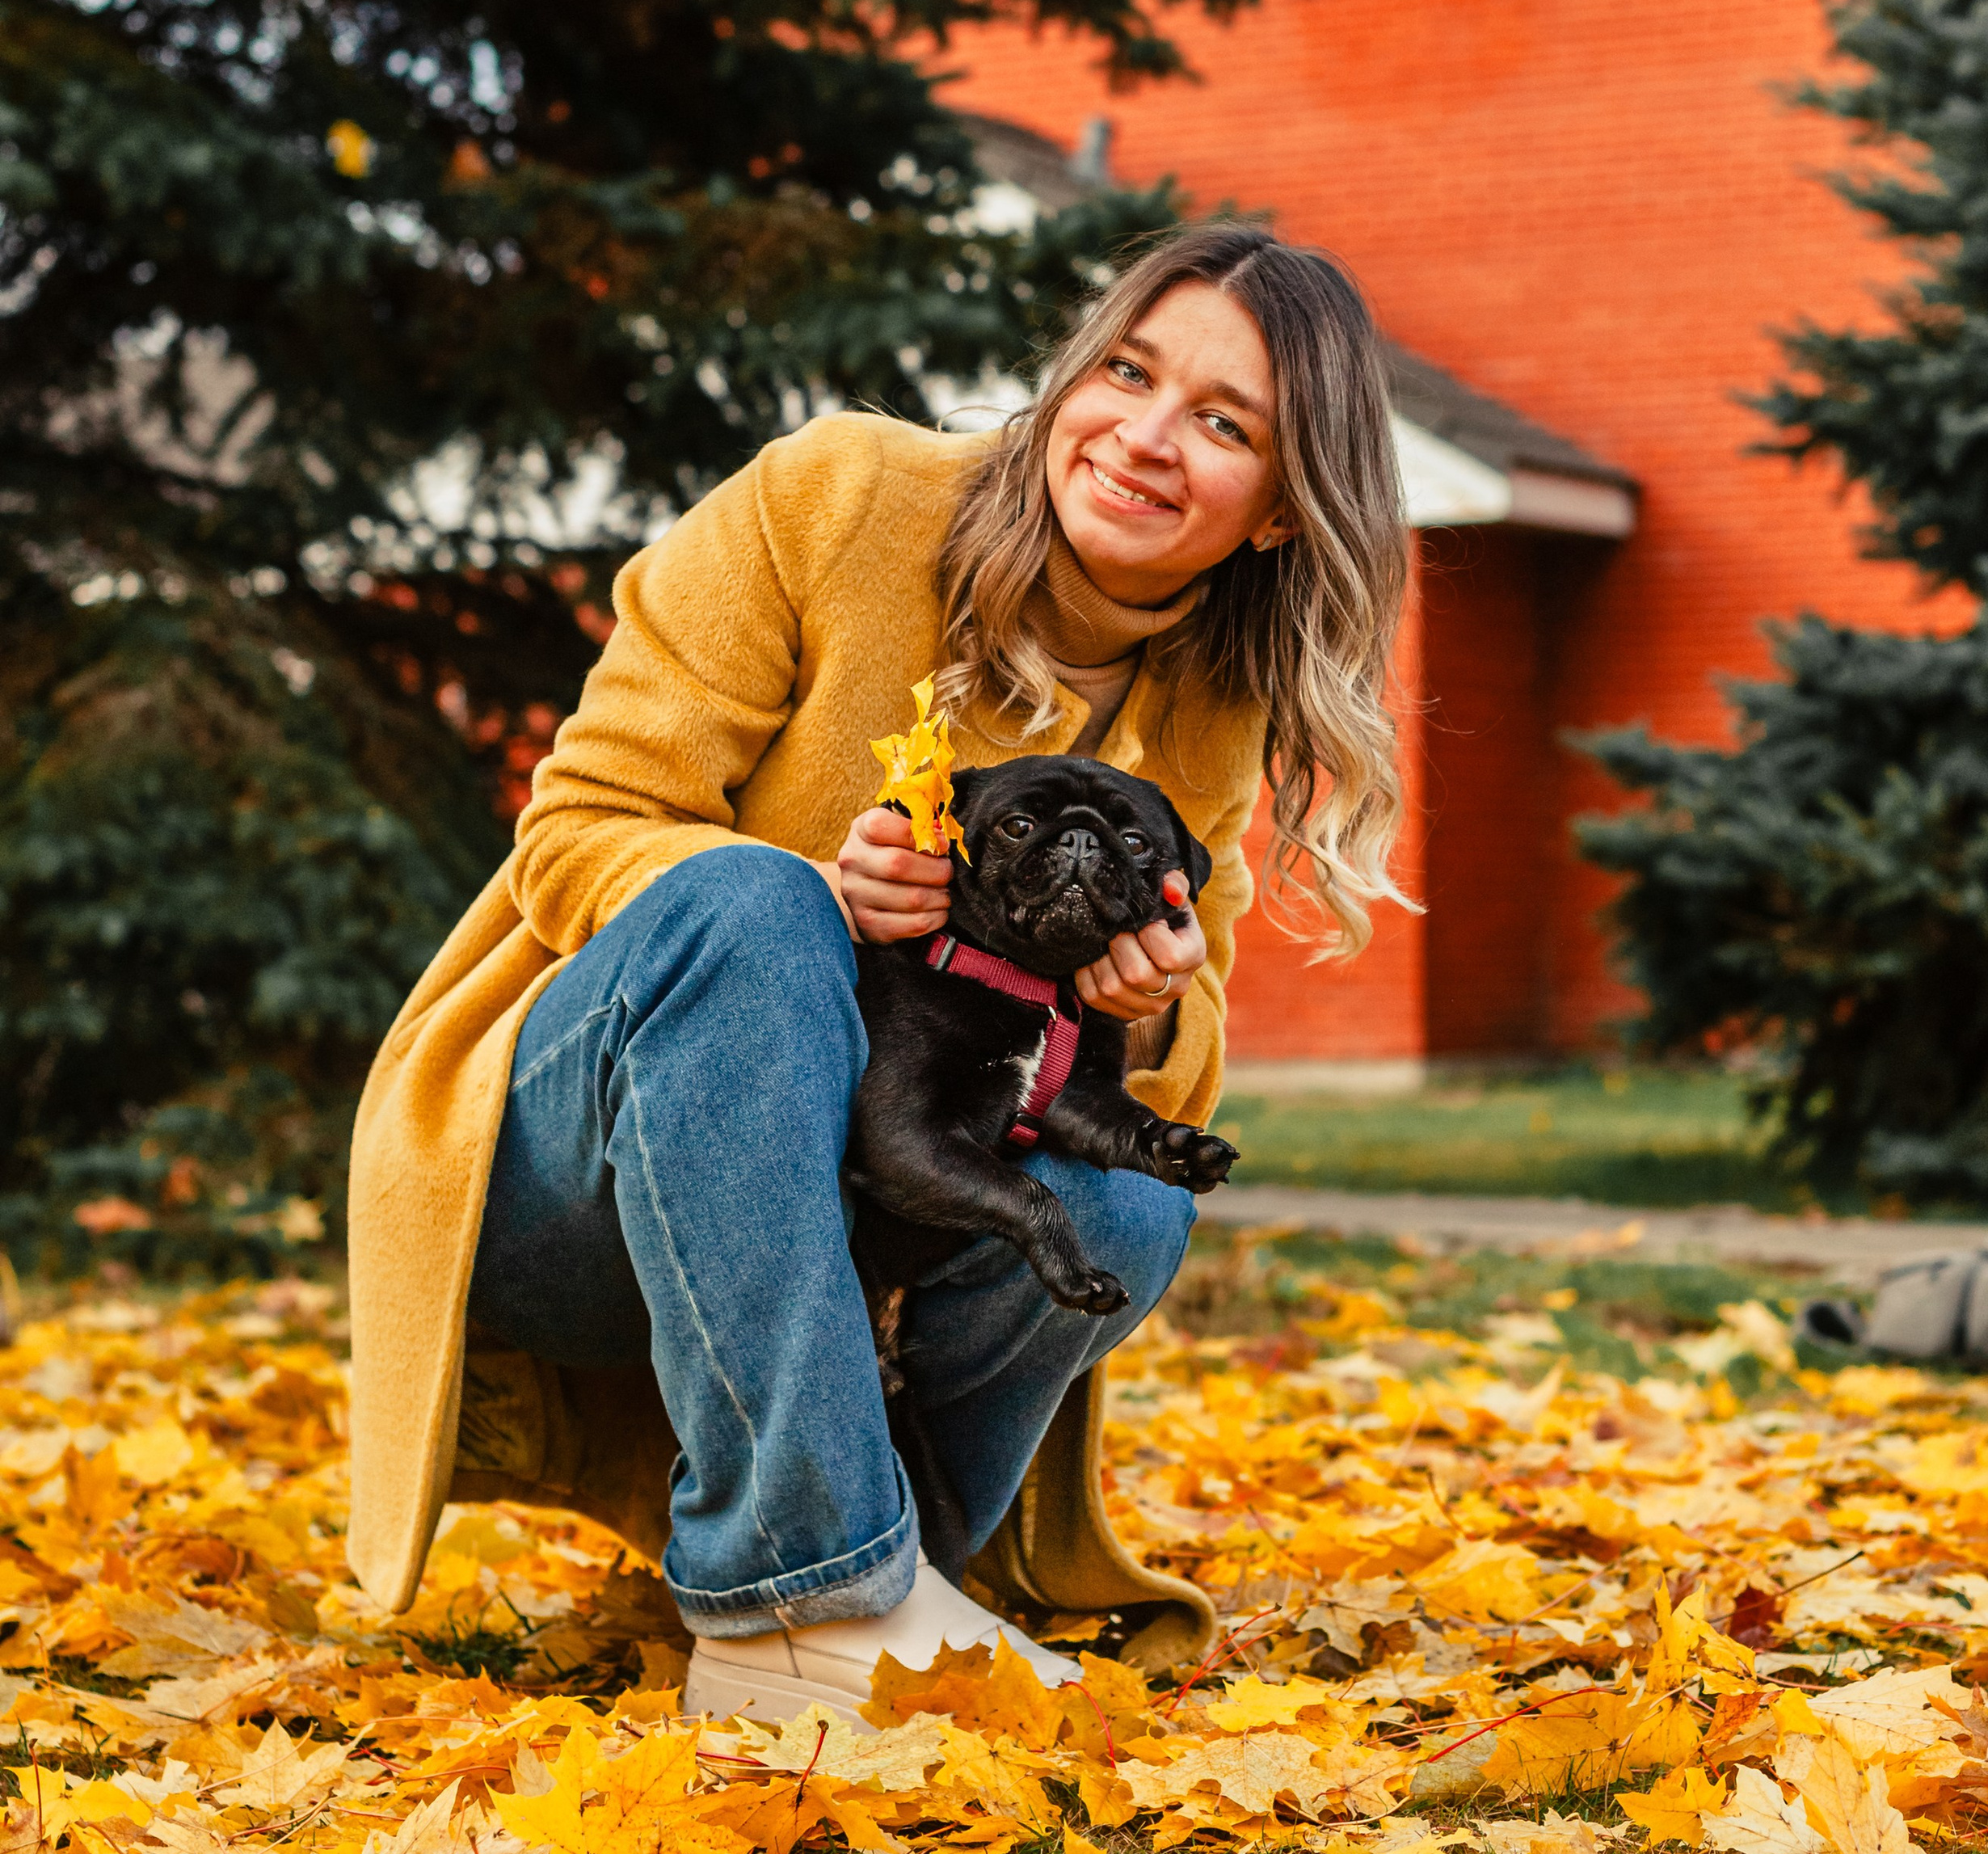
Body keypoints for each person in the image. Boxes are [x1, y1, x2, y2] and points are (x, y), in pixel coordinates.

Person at [347, 222, 1409, 1718]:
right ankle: (815, 1594)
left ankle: (899, 1581)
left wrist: (1148, 999)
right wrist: (824, 914)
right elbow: (580, 827)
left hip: (869, 1216)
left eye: (1224, 425)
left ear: (1285, 516)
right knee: (756, 907)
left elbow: (1183, 1052)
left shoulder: (1212, 704)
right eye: (1129, 371)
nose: (1146, 438)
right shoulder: (839, 500)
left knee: (1127, 1198)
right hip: (566, 1179)